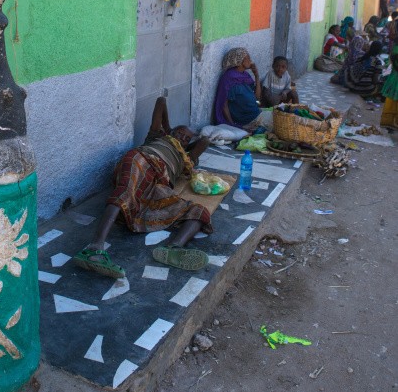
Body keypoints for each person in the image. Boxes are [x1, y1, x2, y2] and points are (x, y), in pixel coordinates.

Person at [74, 97, 211, 279]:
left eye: (186, 139)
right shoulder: (157, 137)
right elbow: (161, 101)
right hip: (143, 159)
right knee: (125, 192)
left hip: (159, 184)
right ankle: (94, 248)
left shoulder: (186, 159)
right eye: (180, 133)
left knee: (199, 211)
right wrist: (170, 131)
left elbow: (205, 141)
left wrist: (185, 144)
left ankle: (174, 248)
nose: (183, 138)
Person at [215, 48, 272, 132]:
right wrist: (233, 126)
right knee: (279, 122)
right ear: (241, 61)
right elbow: (224, 105)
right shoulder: (230, 78)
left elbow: (257, 98)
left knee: (279, 113)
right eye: (248, 58)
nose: (251, 60)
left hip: (254, 113)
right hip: (247, 120)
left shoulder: (244, 75)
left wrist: (256, 76)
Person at [381, 39, 398, 129]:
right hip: (396, 77)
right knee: (392, 99)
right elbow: (393, 58)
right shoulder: (397, 44)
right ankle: (389, 124)